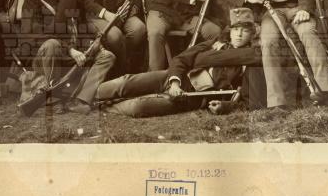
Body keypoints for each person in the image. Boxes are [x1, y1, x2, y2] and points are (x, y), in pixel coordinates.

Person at [95, 8, 262, 117]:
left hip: (191, 97)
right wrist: (174, 82)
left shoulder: (250, 63)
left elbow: (245, 101)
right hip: (173, 77)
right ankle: (89, 96)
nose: (239, 34)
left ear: (252, 34)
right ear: (230, 31)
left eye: (245, 30)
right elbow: (182, 59)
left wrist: (224, 106)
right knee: (126, 82)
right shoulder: (215, 44)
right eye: (236, 29)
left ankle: (101, 108)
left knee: (138, 107)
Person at [13, 0, 115, 114]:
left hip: (69, 55)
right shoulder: (32, 1)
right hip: (43, 60)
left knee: (107, 56)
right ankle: (53, 100)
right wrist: (70, 50)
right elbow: (35, 37)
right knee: (52, 44)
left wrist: (90, 43)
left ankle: (81, 99)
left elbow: (80, 25)